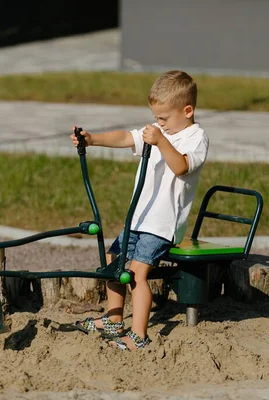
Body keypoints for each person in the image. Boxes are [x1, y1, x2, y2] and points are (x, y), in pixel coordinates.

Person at [70, 70, 209, 350]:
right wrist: (92, 139)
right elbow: (125, 138)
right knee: (115, 263)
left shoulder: (195, 137)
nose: (159, 124)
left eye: (164, 118)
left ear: (188, 110)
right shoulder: (161, 133)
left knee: (136, 274)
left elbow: (181, 166)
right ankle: (113, 318)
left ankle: (139, 335)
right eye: (156, 118)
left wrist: (160, 140)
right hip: (139, 219)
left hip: (162, 225)